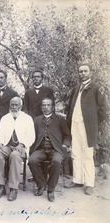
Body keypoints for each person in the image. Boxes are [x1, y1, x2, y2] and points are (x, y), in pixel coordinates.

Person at [65, 64, 108, 195]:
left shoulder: (96, 88)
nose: (82, 73)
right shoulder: (76, 88)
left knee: (88, 154)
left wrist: (94, 122)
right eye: (81, 71)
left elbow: (104, 108)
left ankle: (89, 183)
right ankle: (78, 179)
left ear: (90, 72)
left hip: (88, 126)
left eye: (85, 71)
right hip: (74, 124)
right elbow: (71, 107)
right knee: (76, 152)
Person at [0, 97, 35, 201]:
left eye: (16, 105)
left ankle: (13, 188)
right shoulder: (5, 118)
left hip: (21, 148)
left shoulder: (27, 118)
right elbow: (0, 134)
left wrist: (22, 144)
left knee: (15, 155)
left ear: (21, 106)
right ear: (9, 106)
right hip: (7, 146)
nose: (14, 107)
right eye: (12, 105)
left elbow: (31, 136)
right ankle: (1, 186)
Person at [29, 97, 71, 202]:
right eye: (44, 105)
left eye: (48, 105)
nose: (46, 107)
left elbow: (67, 136)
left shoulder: (60, 120)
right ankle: (41, 184)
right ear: (41, 107)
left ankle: (51, 189)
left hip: (55, 149)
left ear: (52, 107)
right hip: (41, 149)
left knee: (56, 162)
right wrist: (30, 149)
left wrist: (65, 145)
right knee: (32, 161)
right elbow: (32, 136)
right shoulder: (37, 120)